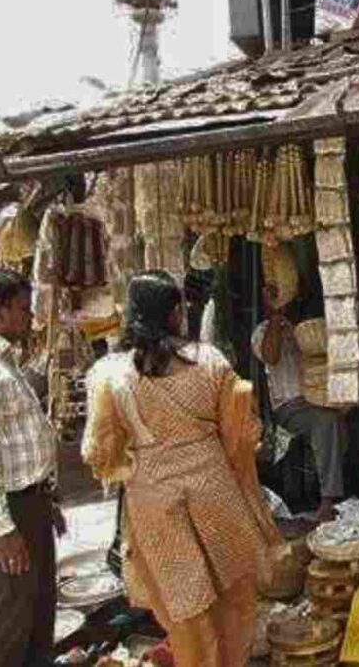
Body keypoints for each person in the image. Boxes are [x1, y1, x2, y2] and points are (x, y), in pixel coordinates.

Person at [83, 271, 281, 667]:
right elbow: (244, 432)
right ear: (176, 313)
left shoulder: (109, 374)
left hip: (155, 504)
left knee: (185, 606)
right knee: (232, 596)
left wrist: (136, 462)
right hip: (215, 491)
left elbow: (99, 453)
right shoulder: (209, 361)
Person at [0, 268, 60, 667]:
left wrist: (48, 498)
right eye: (23, 309)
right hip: (9, 510)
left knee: (37, 611)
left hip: (30, 501)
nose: (30, 317)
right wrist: (1, 528)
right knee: (6, 620)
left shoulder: (2, 359)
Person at [252, 282, 346, 519]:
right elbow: (270, 357)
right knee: (325, 420)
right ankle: (328, 500)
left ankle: (340, 488)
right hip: (289, 407)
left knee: (340, 415)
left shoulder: (305, 331)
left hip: (318, 400)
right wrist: (275, 318)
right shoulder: (262, 332)